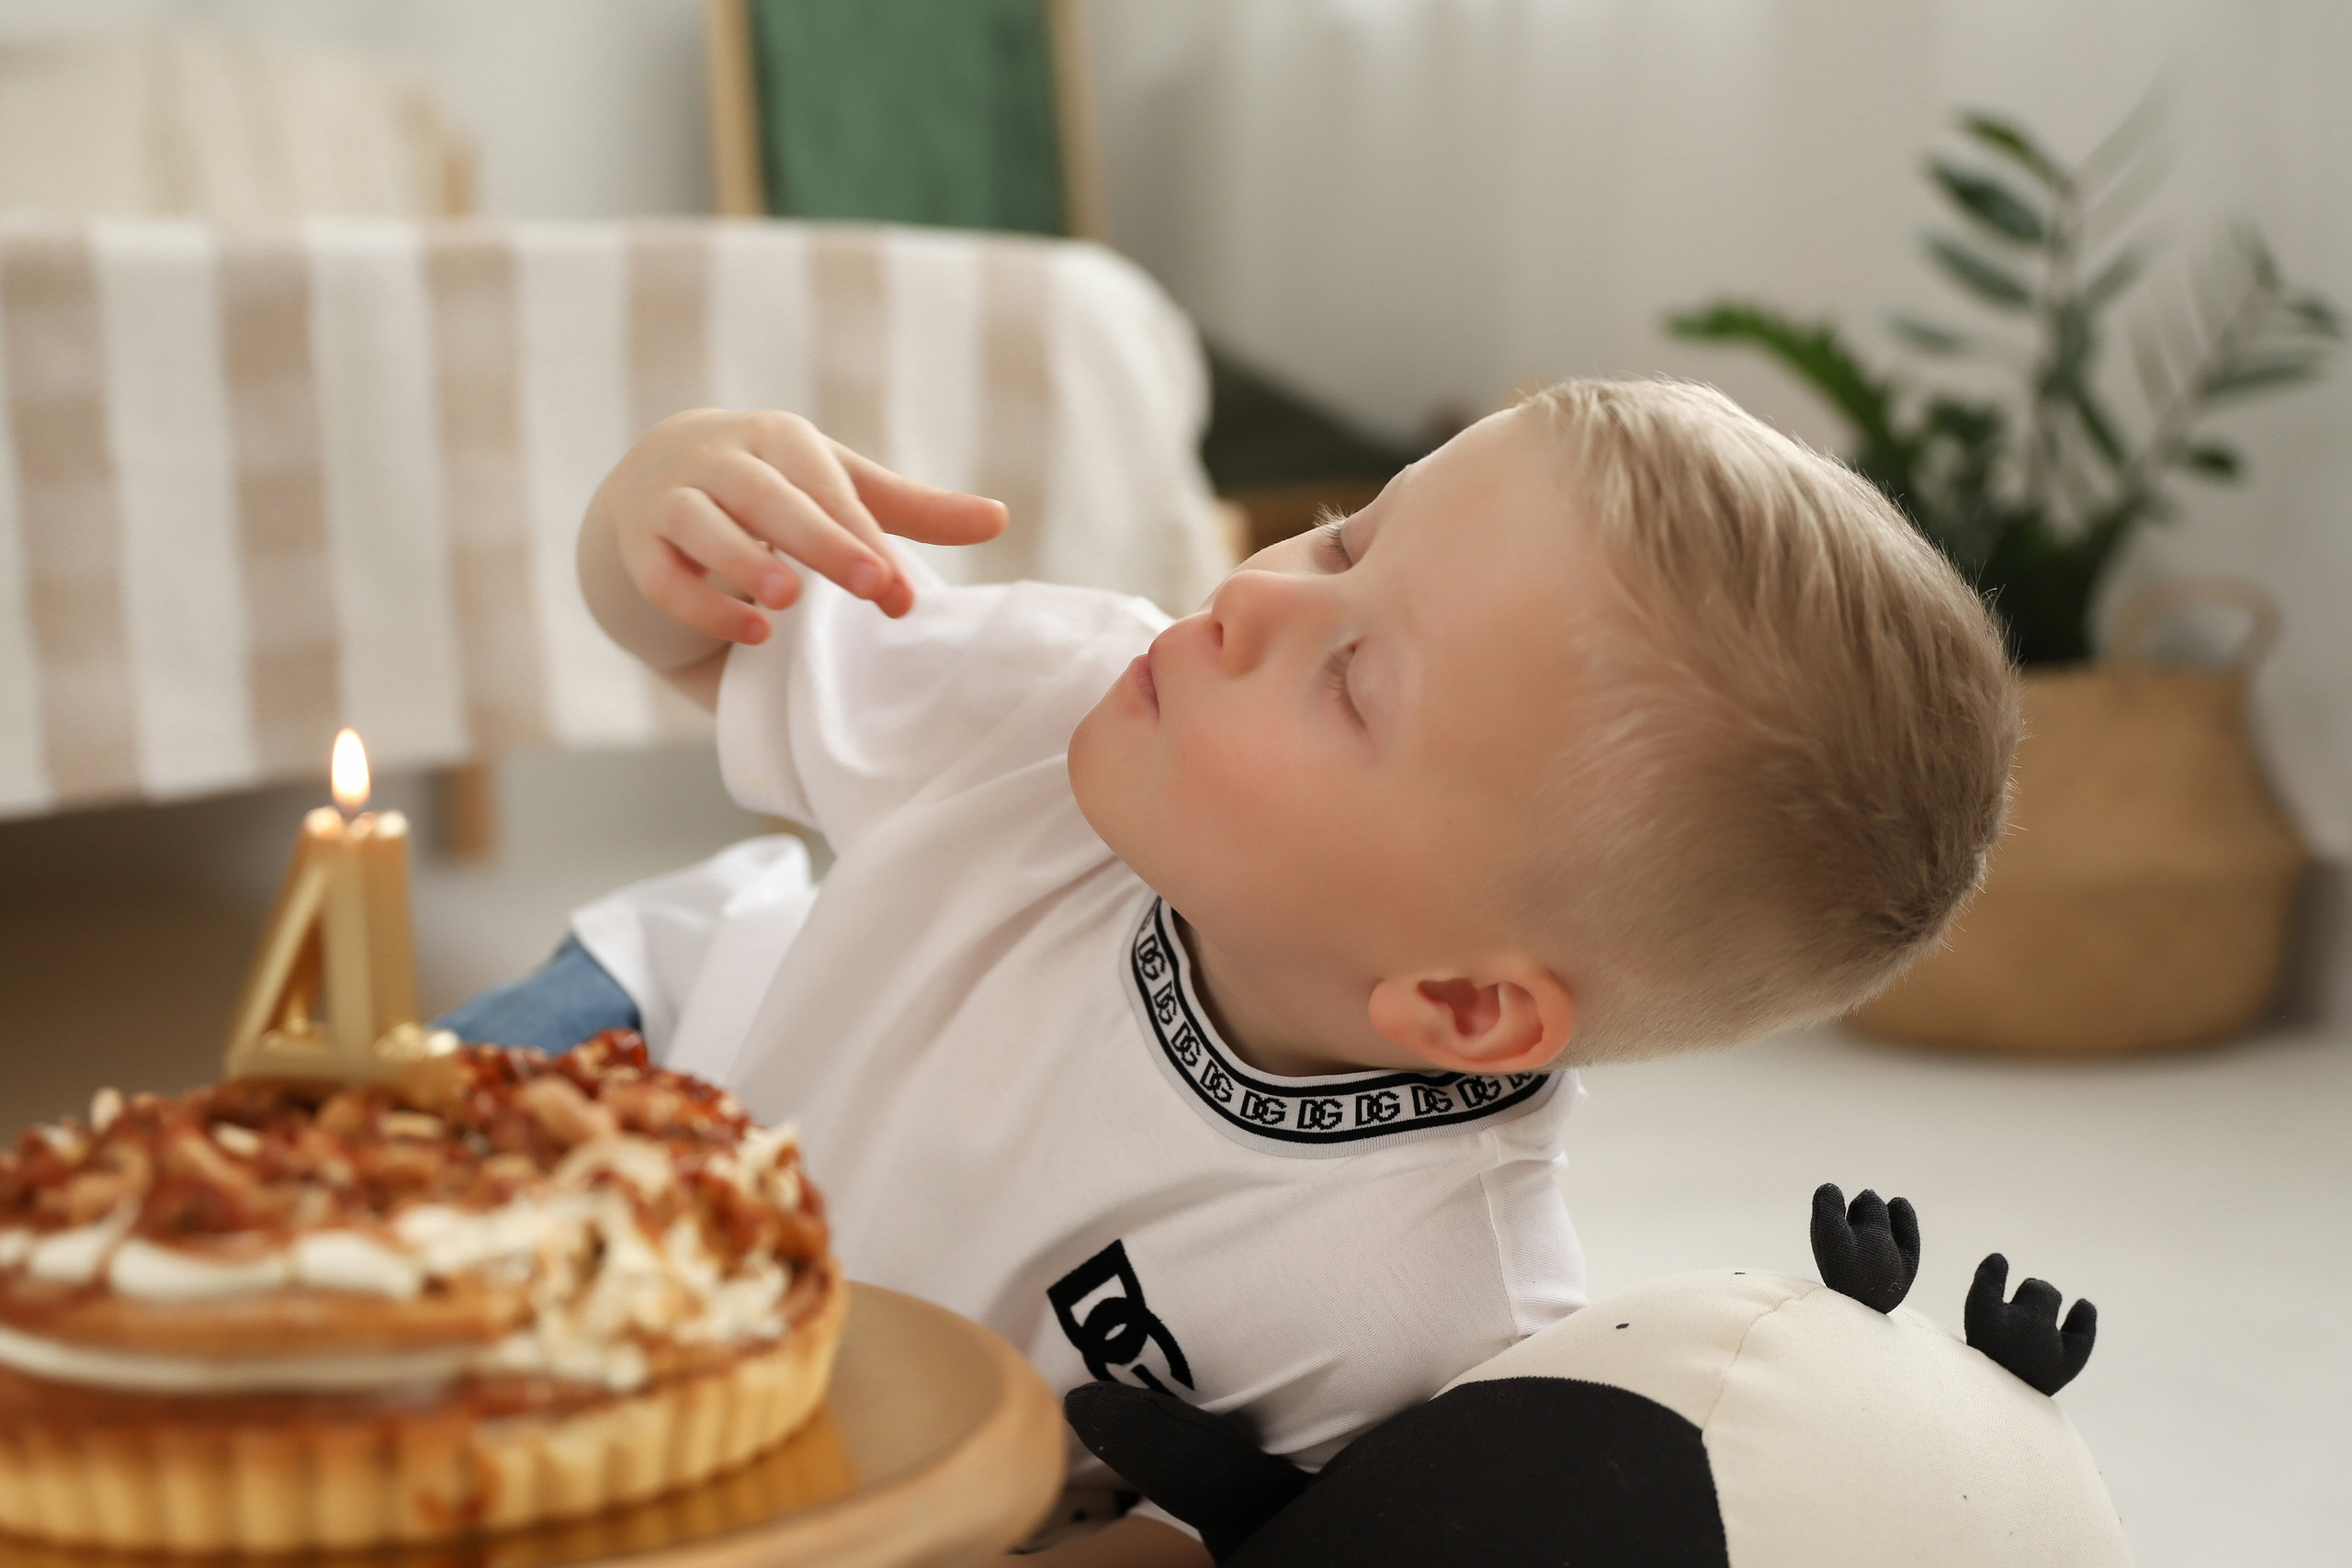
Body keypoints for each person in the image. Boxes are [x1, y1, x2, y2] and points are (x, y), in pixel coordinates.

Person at [444, 378, 2018, 1565]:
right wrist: (664, 514)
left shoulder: (1431, 1304)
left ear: (1466, 1009)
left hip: (787, 1410)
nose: (1257, 589)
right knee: (304, 1224)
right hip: (664, 1059)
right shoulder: (1068, 697)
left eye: (1351, 676)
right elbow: (701, 642)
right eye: (1350, 532)